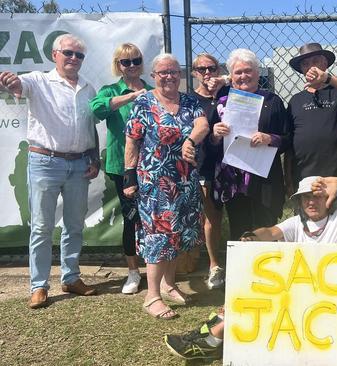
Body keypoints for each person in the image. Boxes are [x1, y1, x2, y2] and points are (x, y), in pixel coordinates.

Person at [163, 176, 337, 360]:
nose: (311, 201)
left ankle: (213, 340)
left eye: (317, 196)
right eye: (305, 197)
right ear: (299, 201)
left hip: (332, 299)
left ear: (329, 199)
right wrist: (251, 236)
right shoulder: (297, 223)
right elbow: (270, 231)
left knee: (267, 298)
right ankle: (213, 328)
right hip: (301, 296)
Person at [0, 34, 100, 309]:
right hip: (45, 162)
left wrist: (94, 157)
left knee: (75, 226)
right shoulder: (38, 80)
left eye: (79, 55)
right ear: (55, 55)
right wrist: (11, 82)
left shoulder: (89, 88)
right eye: (68, 53)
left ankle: (71, 277)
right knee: (42, 227)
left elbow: (89, 127)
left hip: (80, 163)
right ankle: (39, 285)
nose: (73, 59)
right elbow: (18, 85)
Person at [123, 53, 209, 319]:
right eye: (163, 72)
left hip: (184, 180)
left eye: (173, 72)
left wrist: (190, 141)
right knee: (159, 235)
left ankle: (169, 285)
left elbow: (202, 124)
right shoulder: (144, 103)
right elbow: (132, 140)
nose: (169, 76)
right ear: (154, 77)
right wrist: (129, 175)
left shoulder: (190, 101)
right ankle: (152, 296)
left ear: (180, 75)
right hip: (154, 181)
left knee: (179, 233)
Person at [90, 43, 152, 294]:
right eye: (125, 62)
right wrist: (130, 96)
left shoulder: (152, 89)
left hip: (152, 166)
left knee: (154, 220)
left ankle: (156, 269)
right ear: (118, 65)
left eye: (136, 60)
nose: (132, 66)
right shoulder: (111, 90)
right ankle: (133, 272)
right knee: (131, 218)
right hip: (122, 165)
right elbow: (96, 109)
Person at [212, 48, 291, 241]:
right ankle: (241, 270)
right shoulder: (222, 103)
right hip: (234, 181)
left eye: (248, 70)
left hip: (265, 178)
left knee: (267, 228)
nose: (243, 76)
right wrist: (215, 135)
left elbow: (289, 138)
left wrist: (270, 139)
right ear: (230, 76)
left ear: (257, 72)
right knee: (239, 231)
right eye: (238, 72)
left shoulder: (272, 101)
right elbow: (210, 146)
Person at [285, 42, 337, 187]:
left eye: (315, 61)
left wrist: (327, 78)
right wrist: (288, 180)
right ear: (301, 69)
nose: (310, 67)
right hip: (304, 177)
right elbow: (289, 143)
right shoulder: (295, 100)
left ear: (325, 63)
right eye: (305, 63)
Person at [189, 53, 230, 290]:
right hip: (200, 164)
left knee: (216, 217)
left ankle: (217, 265)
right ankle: (206, 264)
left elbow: (246, 79)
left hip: (229, 164)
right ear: (194, 72)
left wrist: (224, 80)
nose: (207, 73)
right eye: (201, 69)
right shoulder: (190, 100)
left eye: (211, 68)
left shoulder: (228, 93)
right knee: (204, 216)